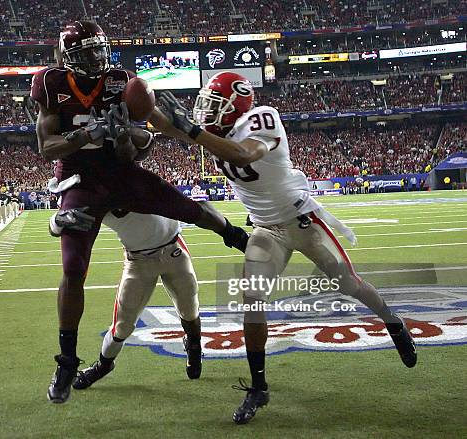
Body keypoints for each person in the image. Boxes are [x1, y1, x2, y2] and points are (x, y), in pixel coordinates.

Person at [151, 72, 417, 424]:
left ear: (237, 105)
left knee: (349, 283)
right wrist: (135, 95)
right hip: (267, 230)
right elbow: (167, 127)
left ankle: (393, 322)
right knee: (252, 299)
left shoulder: (261, 118)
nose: (205, 113)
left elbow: (245, 155)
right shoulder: (213, 131)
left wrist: (193, 130)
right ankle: (258, 387)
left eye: (215, 105)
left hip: (303, 221)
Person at [31, 21, 249, 404]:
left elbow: (142, 147)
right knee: (73, 268)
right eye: (87, 54)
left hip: (120, 173)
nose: (97, 59)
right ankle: (66, 361)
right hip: (79, 180)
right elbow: (47, 148)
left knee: (183, 205)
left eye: (100, 50)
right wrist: (85, 135)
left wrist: (127, 137)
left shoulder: (122, 82)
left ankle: (237, 237)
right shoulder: (51, 84)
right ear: (67, 59)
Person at [50, 207, 202, 389]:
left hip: (174, 250)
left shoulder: (139, 179)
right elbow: (58, 226)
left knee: (190, 309)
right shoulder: (92, 194)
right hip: (138, 261)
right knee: (122, 326)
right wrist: (58, 220)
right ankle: (103, 365)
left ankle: (193, 344)